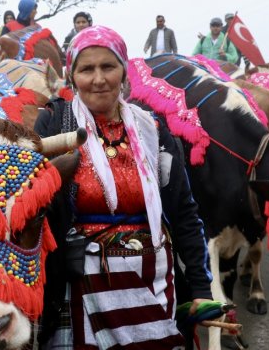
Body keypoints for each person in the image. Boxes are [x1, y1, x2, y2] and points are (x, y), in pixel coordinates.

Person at [36, 25, 214, 348]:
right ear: (72, 75)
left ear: (123, 70)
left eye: (108, 66)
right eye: (86, 69)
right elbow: (34, 210)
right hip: (80, 288)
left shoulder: (153, 129)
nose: (99, 78)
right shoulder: (54, 124)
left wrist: (201, 290)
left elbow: (185, 213)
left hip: (155, 283)